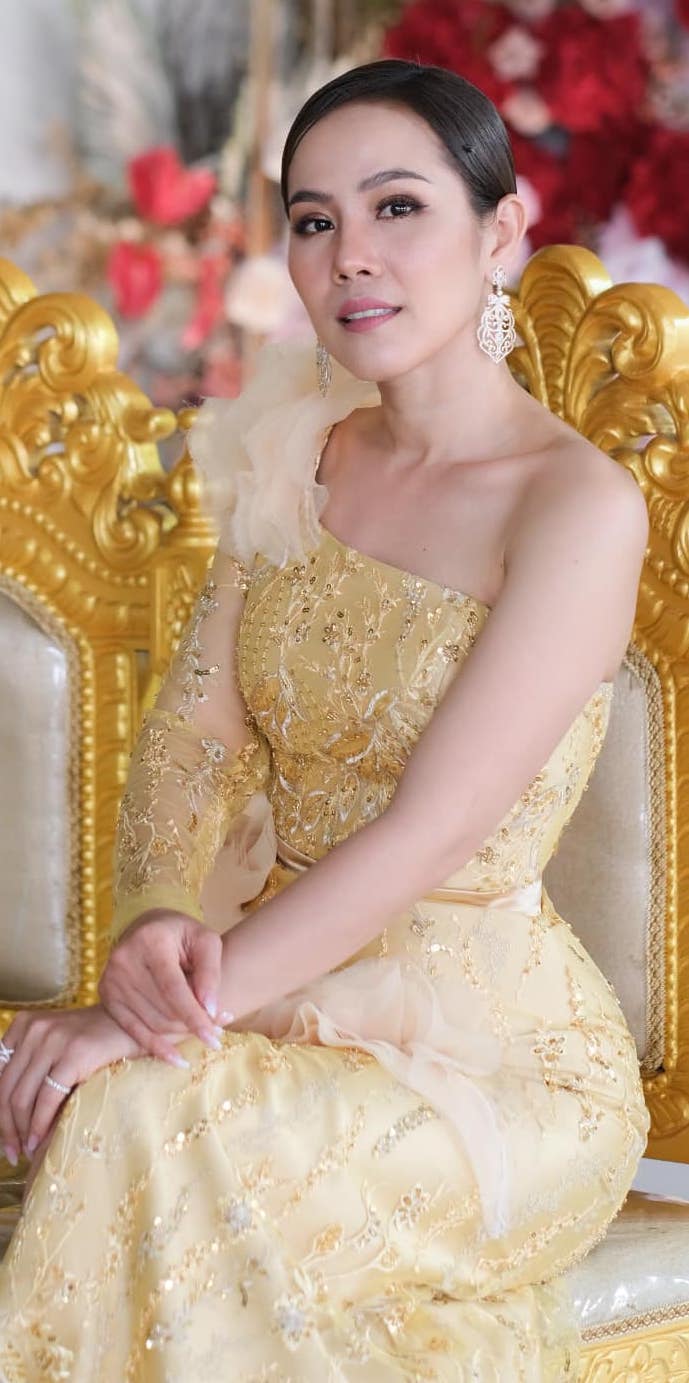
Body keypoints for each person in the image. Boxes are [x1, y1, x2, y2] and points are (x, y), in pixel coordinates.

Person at [0, 58, 650, 1380]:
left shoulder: (574, 507)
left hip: (493, 1070)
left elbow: (429, 833)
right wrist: (155, 922)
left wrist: (150, 1023)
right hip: (268, 990)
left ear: (501, 233)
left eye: (397, 207)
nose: (351, 254)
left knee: (136, 1113)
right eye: (314, 220)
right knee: (94, 1099)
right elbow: (195, 734)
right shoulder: (298, 454)